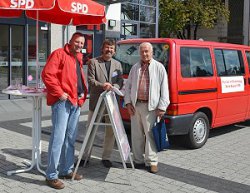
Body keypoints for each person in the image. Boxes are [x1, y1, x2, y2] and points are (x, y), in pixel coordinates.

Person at [42, 32, 88, 189]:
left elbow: (77, 81)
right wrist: (60, 93)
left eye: (82, 43)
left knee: (70, 138)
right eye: (77, 42)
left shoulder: (78, 58)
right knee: (58, 138)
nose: (79, 45)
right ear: (70, 41)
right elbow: (47, 75)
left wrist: (80, 99)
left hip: (75, 103)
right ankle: (51, 175)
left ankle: (66, 169)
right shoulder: (59, 54)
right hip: (63, 103)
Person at [124, 42, 170, 174]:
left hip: (151, 107)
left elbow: (164, 89)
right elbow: (128, 87)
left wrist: (162, 107)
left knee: (150, 135)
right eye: (142, 51)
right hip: (135, 106)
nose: (144, 54)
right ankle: (138, 160)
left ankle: (152, 162)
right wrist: (128, 103)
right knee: (136, 135)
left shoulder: (159, 67)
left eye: (147, 51)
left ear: (152, 52)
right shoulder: (135, 68)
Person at [79, 39, 123, 168]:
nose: (109, 50)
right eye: (107, 47)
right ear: (102, 49)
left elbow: (120, 81)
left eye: (111, 48)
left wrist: (113, 86)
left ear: (114, 51)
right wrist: (103, 85)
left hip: (111, 102)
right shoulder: (93, 62)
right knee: (90, 129)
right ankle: (85, 156)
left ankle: (106, 157)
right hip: (96, 101)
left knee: (110, 131)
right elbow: (91, 80)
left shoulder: (117, 64)